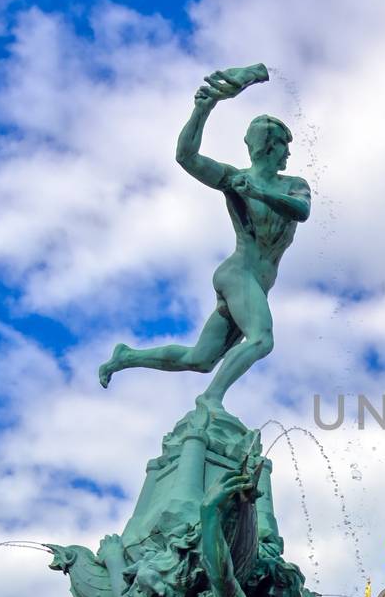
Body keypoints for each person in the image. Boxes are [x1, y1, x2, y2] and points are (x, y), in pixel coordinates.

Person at [99, 67, 309, 407]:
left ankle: (125, 357)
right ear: (271, 147)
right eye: (284, 146)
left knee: (200, 359)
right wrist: (204, 107)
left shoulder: (292, 186)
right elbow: (186, 157)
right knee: (261, 340)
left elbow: (301, 211)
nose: (288, 154)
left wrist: (260, 193)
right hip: (238, 274)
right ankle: (211, 399)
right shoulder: (233, 179)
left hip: (254, 282)